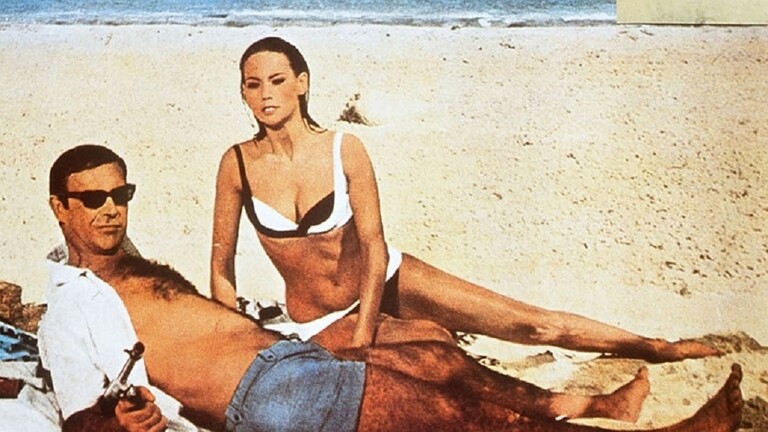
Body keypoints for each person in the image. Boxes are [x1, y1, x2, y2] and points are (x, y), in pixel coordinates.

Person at [39, 144, 743, 432]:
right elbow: (78, 416)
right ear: (59, 208)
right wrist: (124, 422)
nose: (110, 209)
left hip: (289, 360)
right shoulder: (70, 304)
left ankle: (599, 406)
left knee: (439, 361)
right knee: (459, 417)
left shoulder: (124, 266)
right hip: (271, 396)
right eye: (91, 199)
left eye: (120, 194)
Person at [210, 36, 720, 360]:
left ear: (301, 84)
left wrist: (365, 335)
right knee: (439, 357)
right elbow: (221, 264)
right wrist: (231, 339)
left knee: (529, 323)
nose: (266, 93)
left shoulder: (346, 148)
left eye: (277, 80)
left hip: (387, 283)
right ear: (243, 94)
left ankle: (655, 347)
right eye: (253, 85)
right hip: (316, 319)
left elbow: (374, 247)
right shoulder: (236, 164)